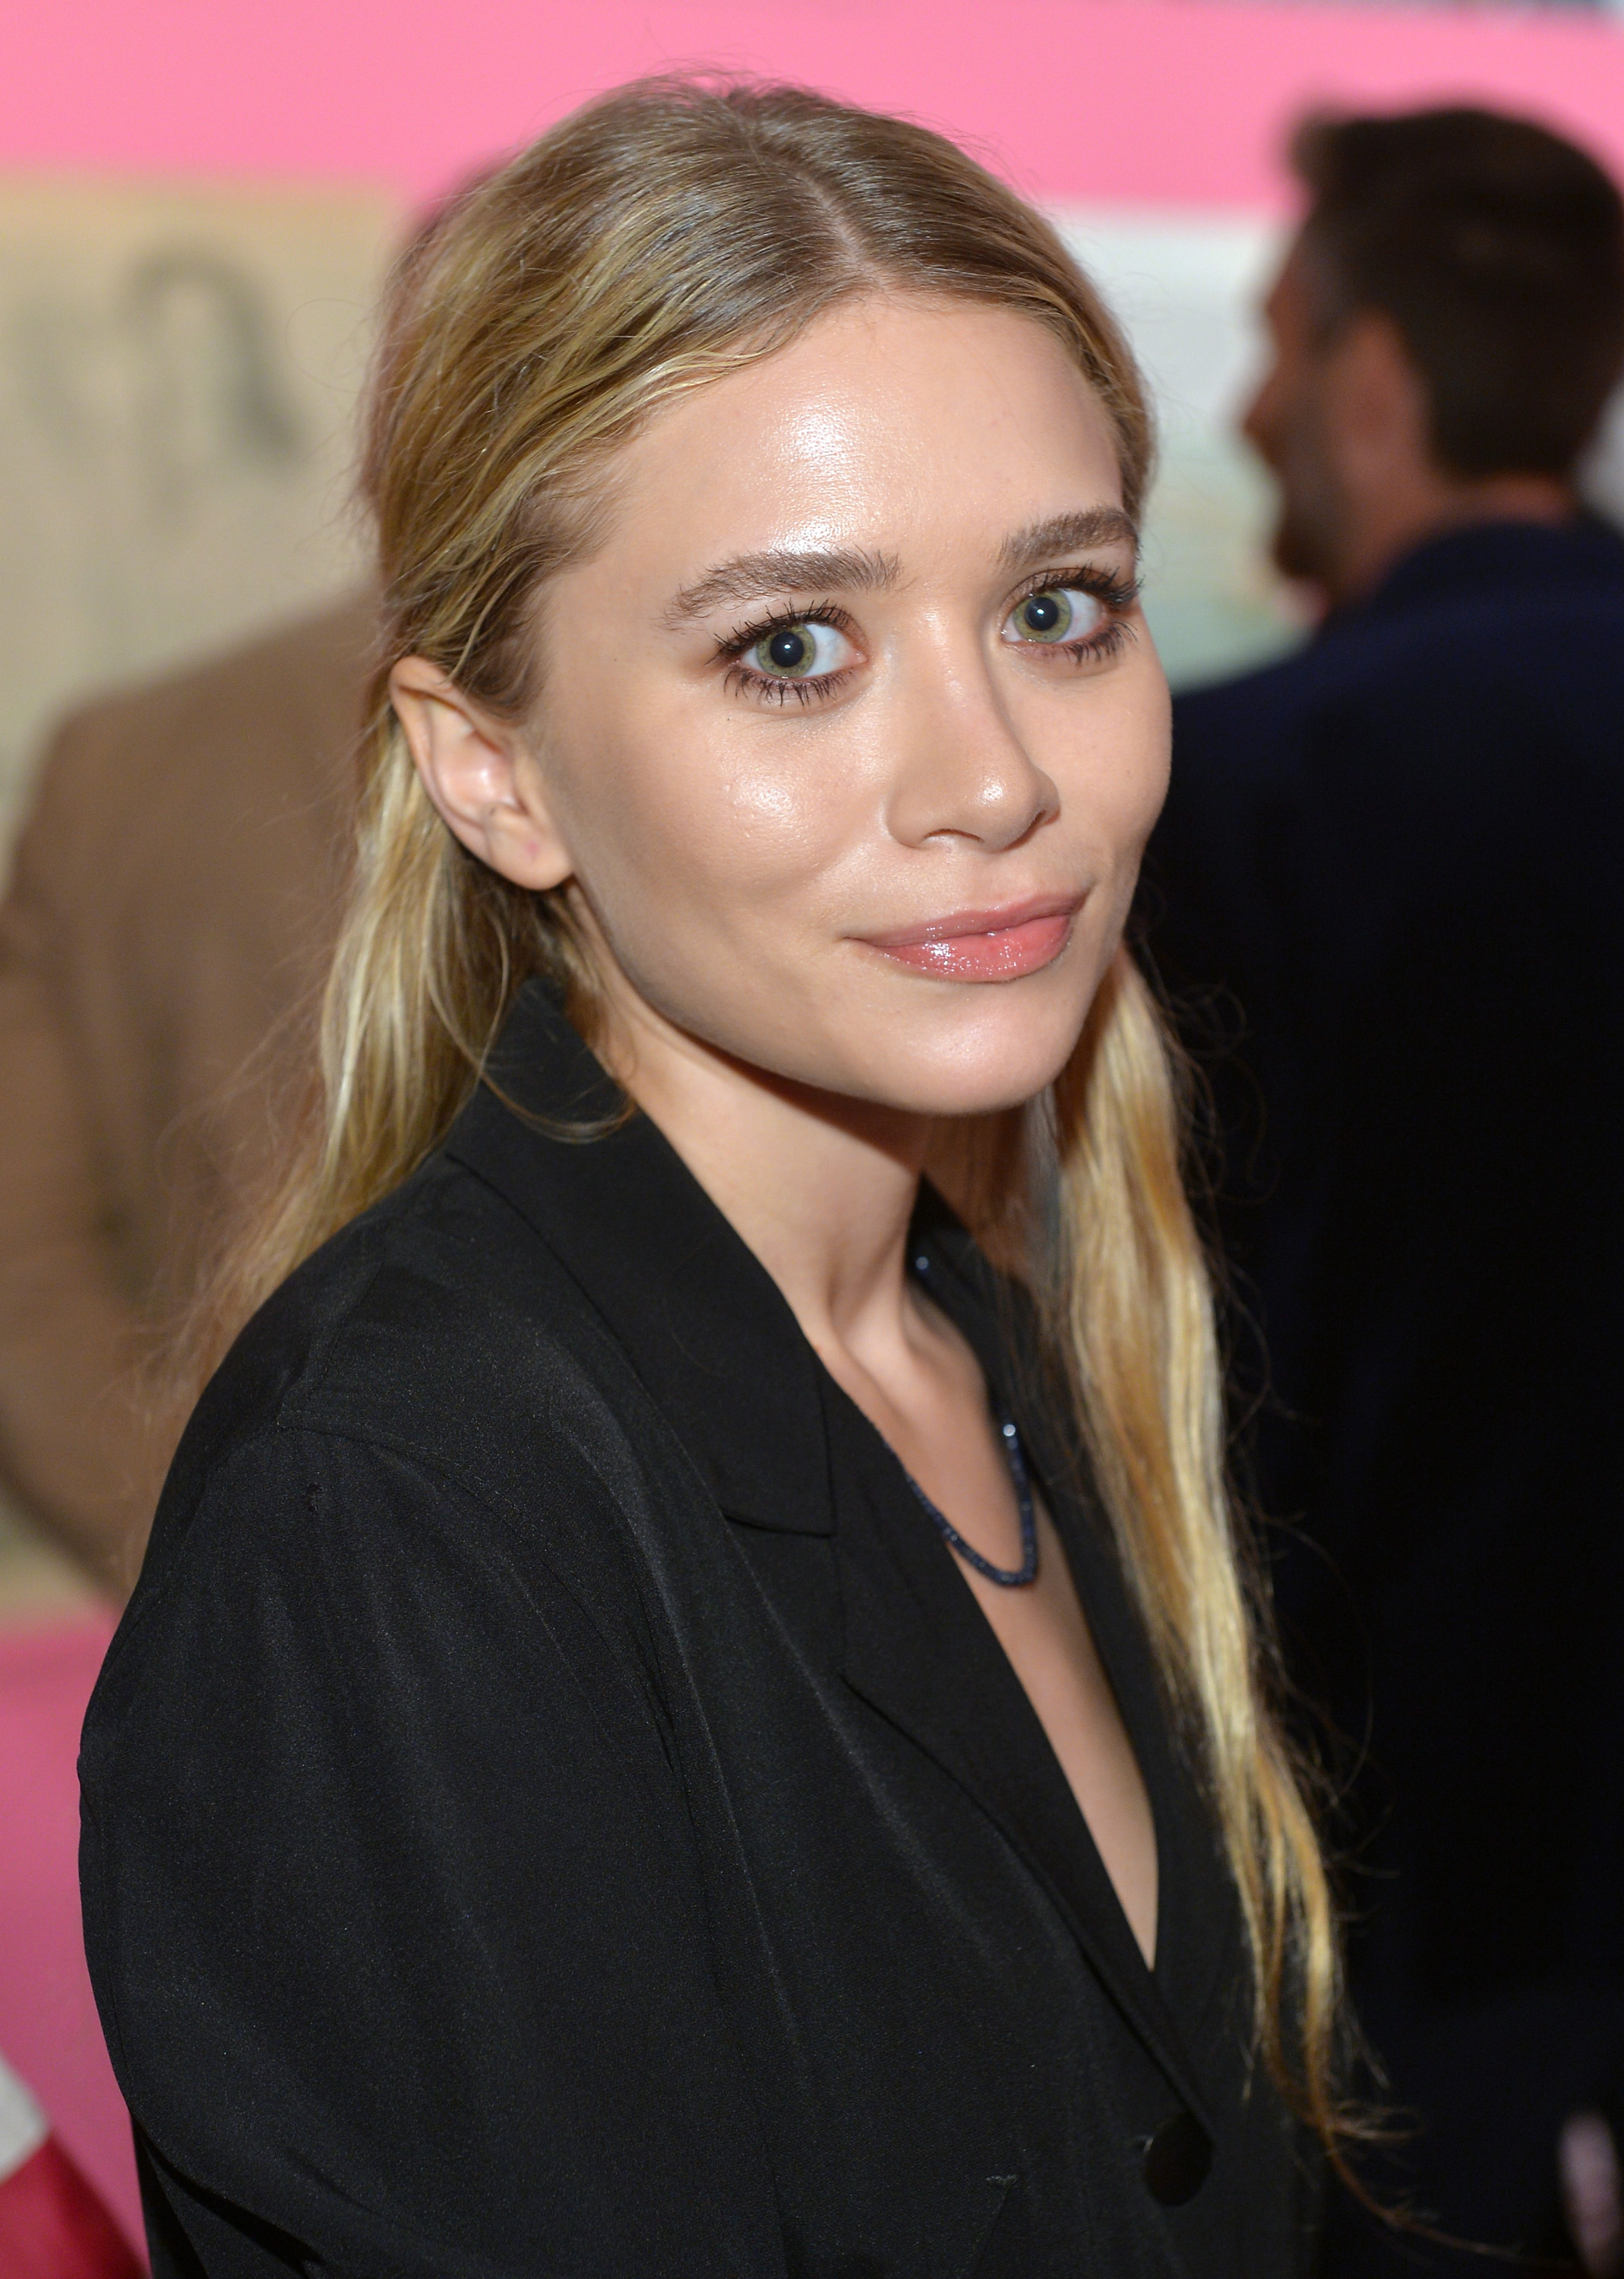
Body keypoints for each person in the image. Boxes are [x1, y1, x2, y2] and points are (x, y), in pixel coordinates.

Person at [81, 79, 1348, 2276]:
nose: (989, 780)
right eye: (794, 650)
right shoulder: (404, 1509)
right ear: (494, 772)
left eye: (1059, 609)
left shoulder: (1002, 1334)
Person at [1143, 106, 1624, 2275]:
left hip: (1396, 1893)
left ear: (1366, 375)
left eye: (1270, 339)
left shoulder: (1246, 793)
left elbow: (1183, 1362)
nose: (1240, 409)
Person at [0, 596, 370, 1592]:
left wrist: (210, 1556)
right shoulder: (589, 682)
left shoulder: (123, 758)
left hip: (246, 1632)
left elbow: (21, 1274)